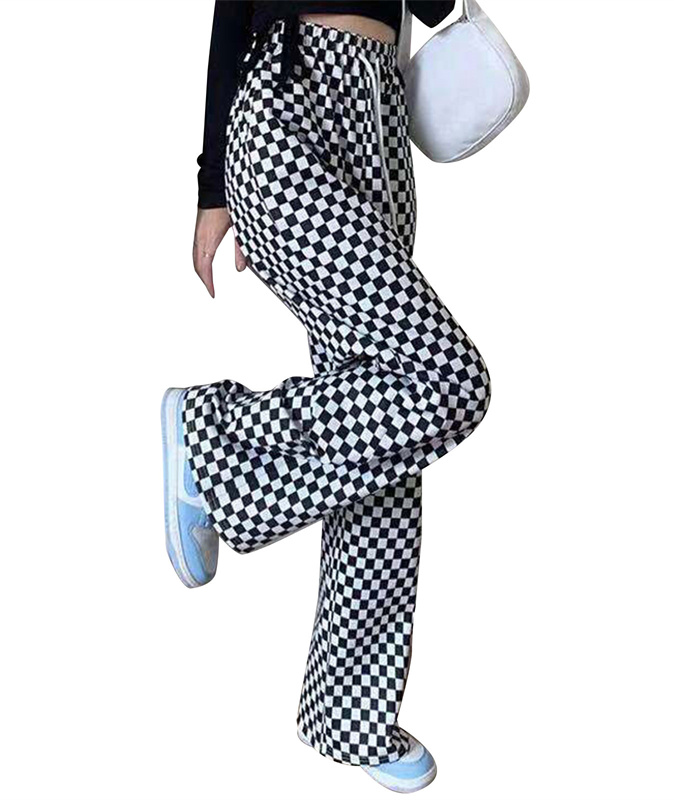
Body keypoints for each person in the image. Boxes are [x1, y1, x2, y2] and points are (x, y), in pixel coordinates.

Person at [161, 1, 490, 792]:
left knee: (391, 422)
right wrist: (213, 187)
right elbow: (231, 12)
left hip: (379, 117)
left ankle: (350, 713)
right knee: (448, 380)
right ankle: (213, 434)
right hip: (288, 98)